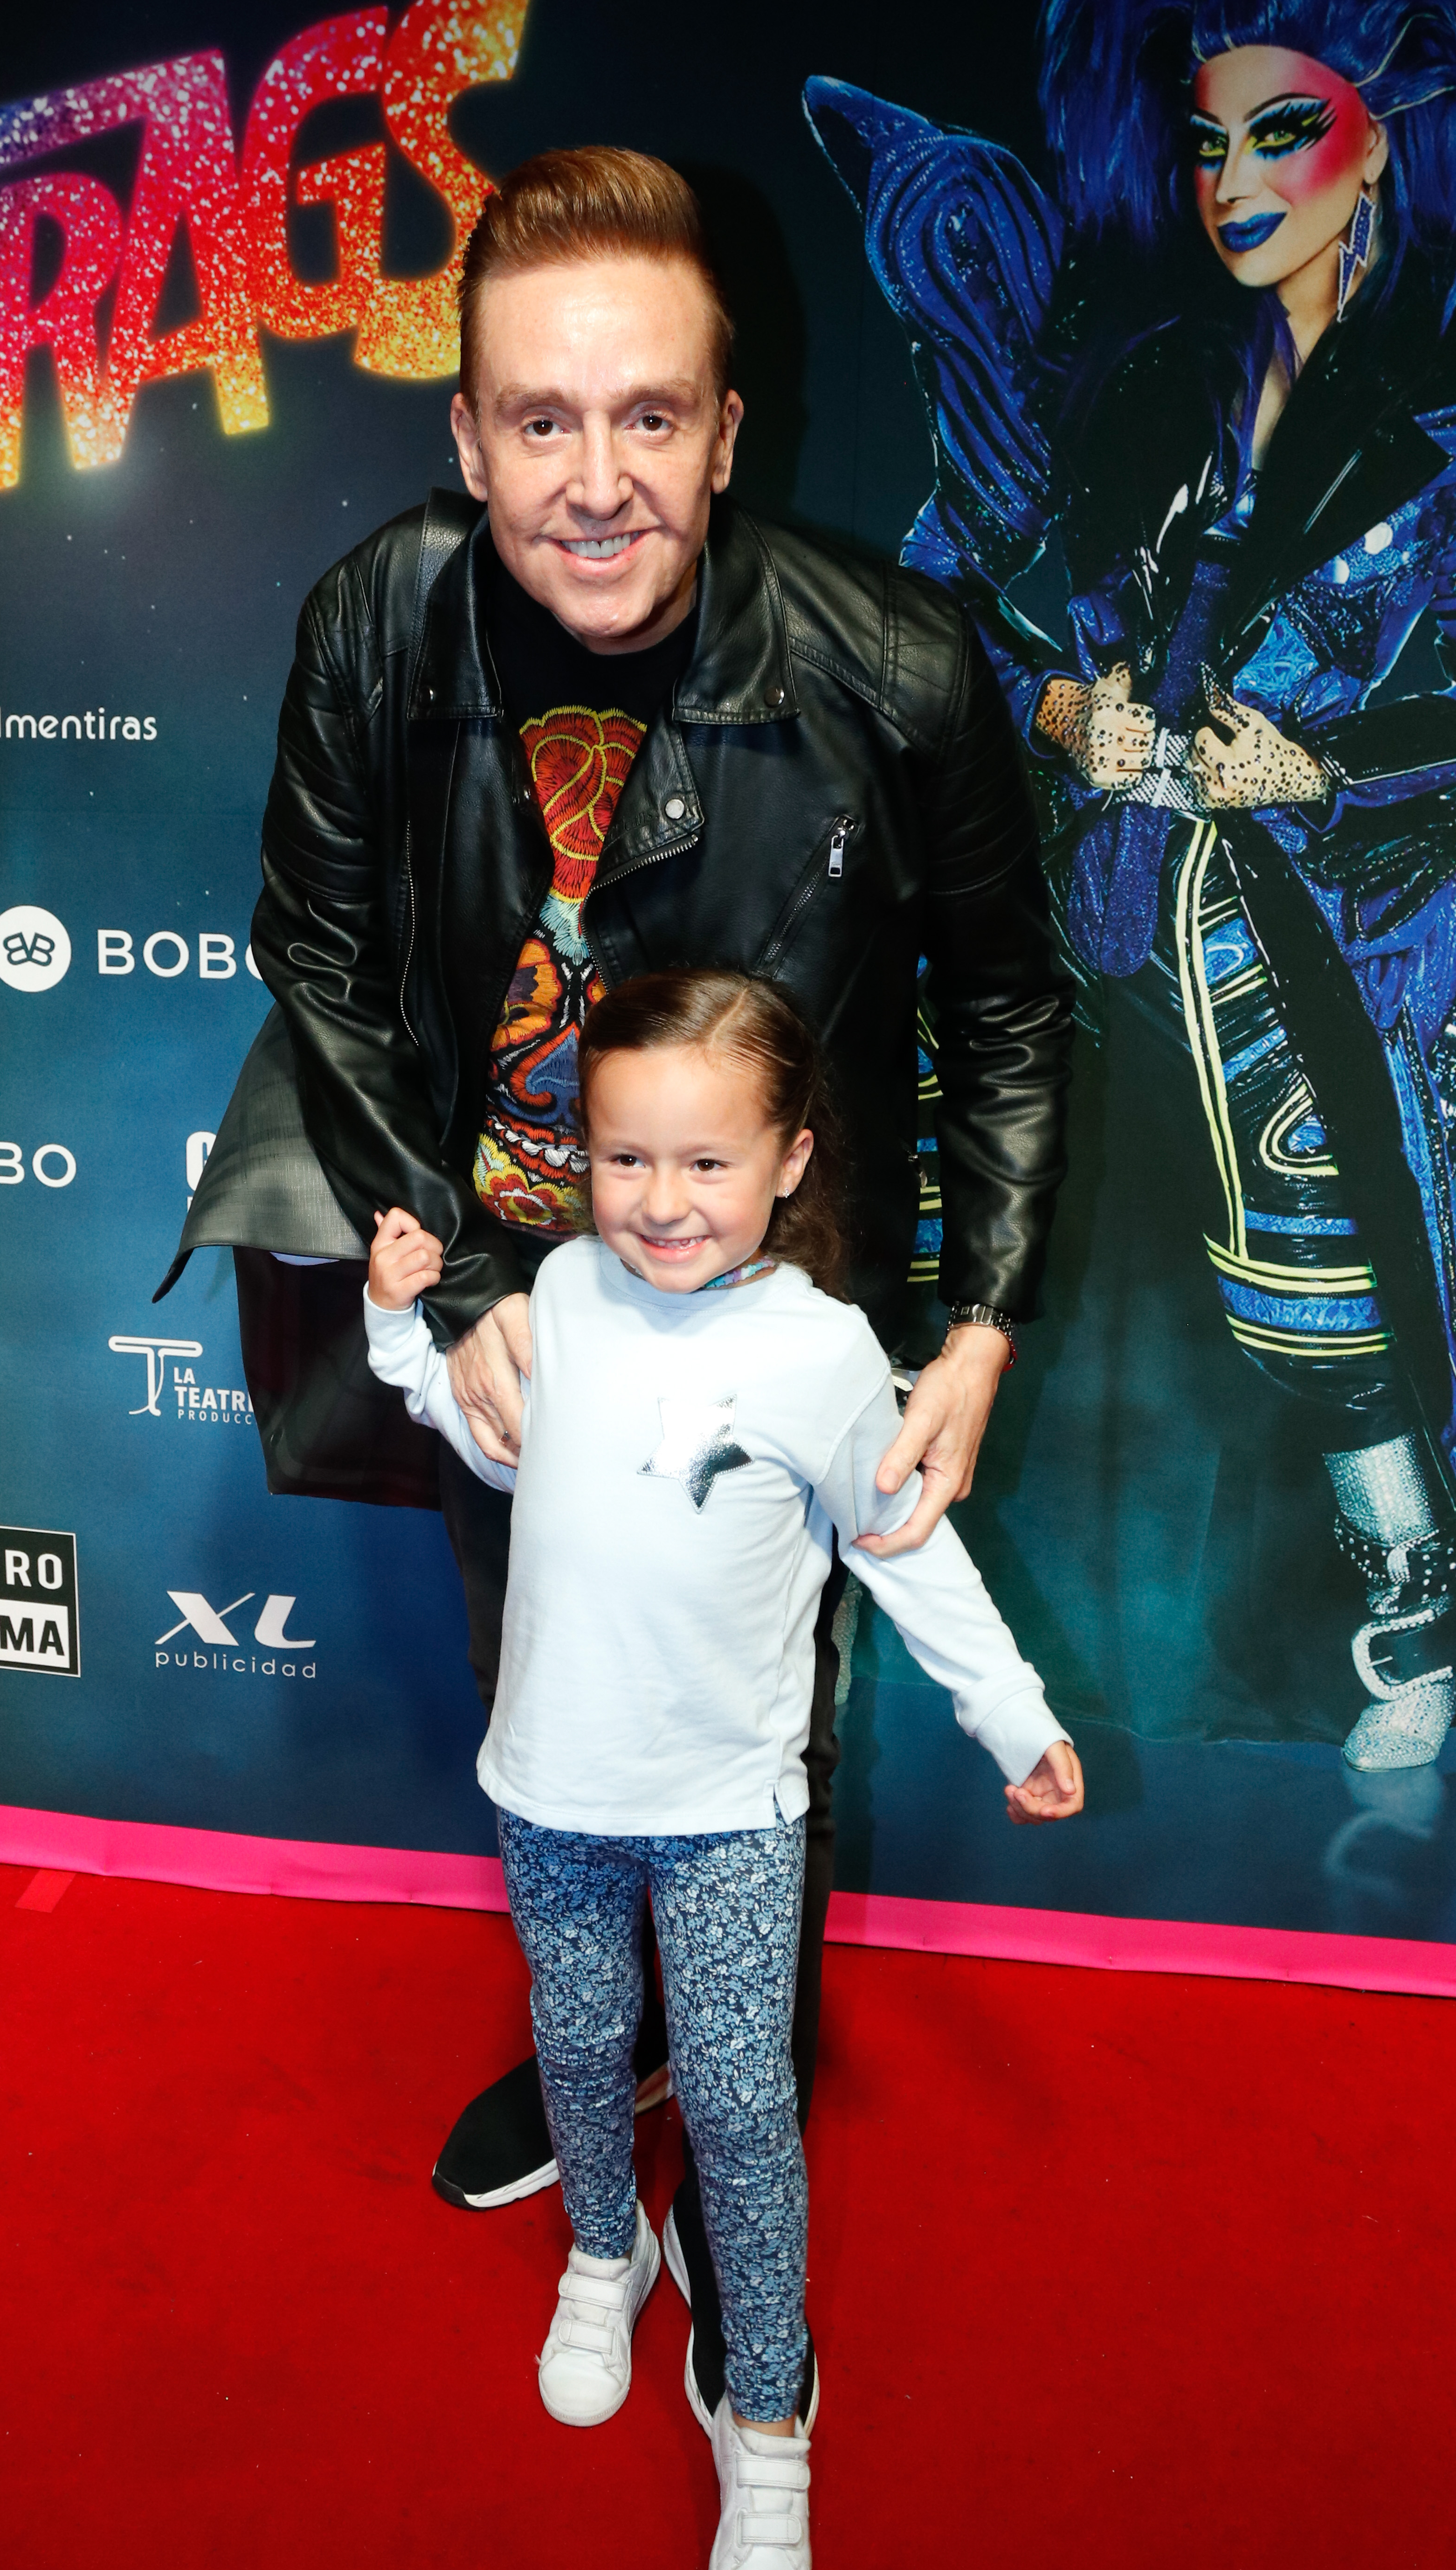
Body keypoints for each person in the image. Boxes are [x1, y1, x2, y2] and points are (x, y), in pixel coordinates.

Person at [187, 142, 1073, 2415]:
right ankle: (619, 2085)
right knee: (556, 1685)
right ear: (467, 432)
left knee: (760, 1720)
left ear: (728, 428)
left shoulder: (890, 662)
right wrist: (465, 1257)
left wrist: (978, 1319)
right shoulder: (379, 619)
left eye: (650, 418)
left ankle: (723, 2077)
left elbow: (1006, 1004)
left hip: (773, 1296)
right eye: (544, 423)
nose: (599, 484)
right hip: (504, 1294)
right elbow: (313, 943)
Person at [806, 0, 1456, 1784]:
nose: (1236, 182)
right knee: (1072, 1290)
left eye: (1284, 134)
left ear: (1391, 139)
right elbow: (943, 601)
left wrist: (1337, 758)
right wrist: (1061, 708)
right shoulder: (1151, 381)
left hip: (1369, 940)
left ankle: (1425, 1628)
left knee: (1366, 1314)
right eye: (1210, 143)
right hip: (1116, 920)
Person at [363, 969, 1083, 2570]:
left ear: (788, 1163)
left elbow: (911, 1545)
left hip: (734, 1812)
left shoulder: (826, 1353)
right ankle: (601, 2257)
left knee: (749, 2108)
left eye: (703, 1164)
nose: (660, 1203)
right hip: (552, 1789)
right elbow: (502, 1456)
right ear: (582, 1161)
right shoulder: (555, 1289)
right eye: (625, 1161)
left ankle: (767, 2420)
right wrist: (409, 1332)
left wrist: (1011, 1714)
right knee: (580, 2038)